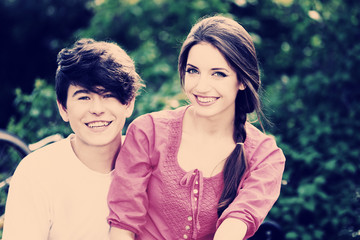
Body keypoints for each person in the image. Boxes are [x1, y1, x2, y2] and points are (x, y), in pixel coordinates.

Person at [107, 15, 286, 240]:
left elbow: (235, 226)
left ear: (242, 80)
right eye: (193, 71)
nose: (201, 86)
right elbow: (123, 225)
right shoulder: (148, 132)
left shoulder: (265, 156)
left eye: (218, 74)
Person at [2, 38, 143, 240]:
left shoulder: (150, 162)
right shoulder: (37, 173)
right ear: (63, 108)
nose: (97, 110)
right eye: (84, 97)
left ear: (128, 104)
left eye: (108, 95)